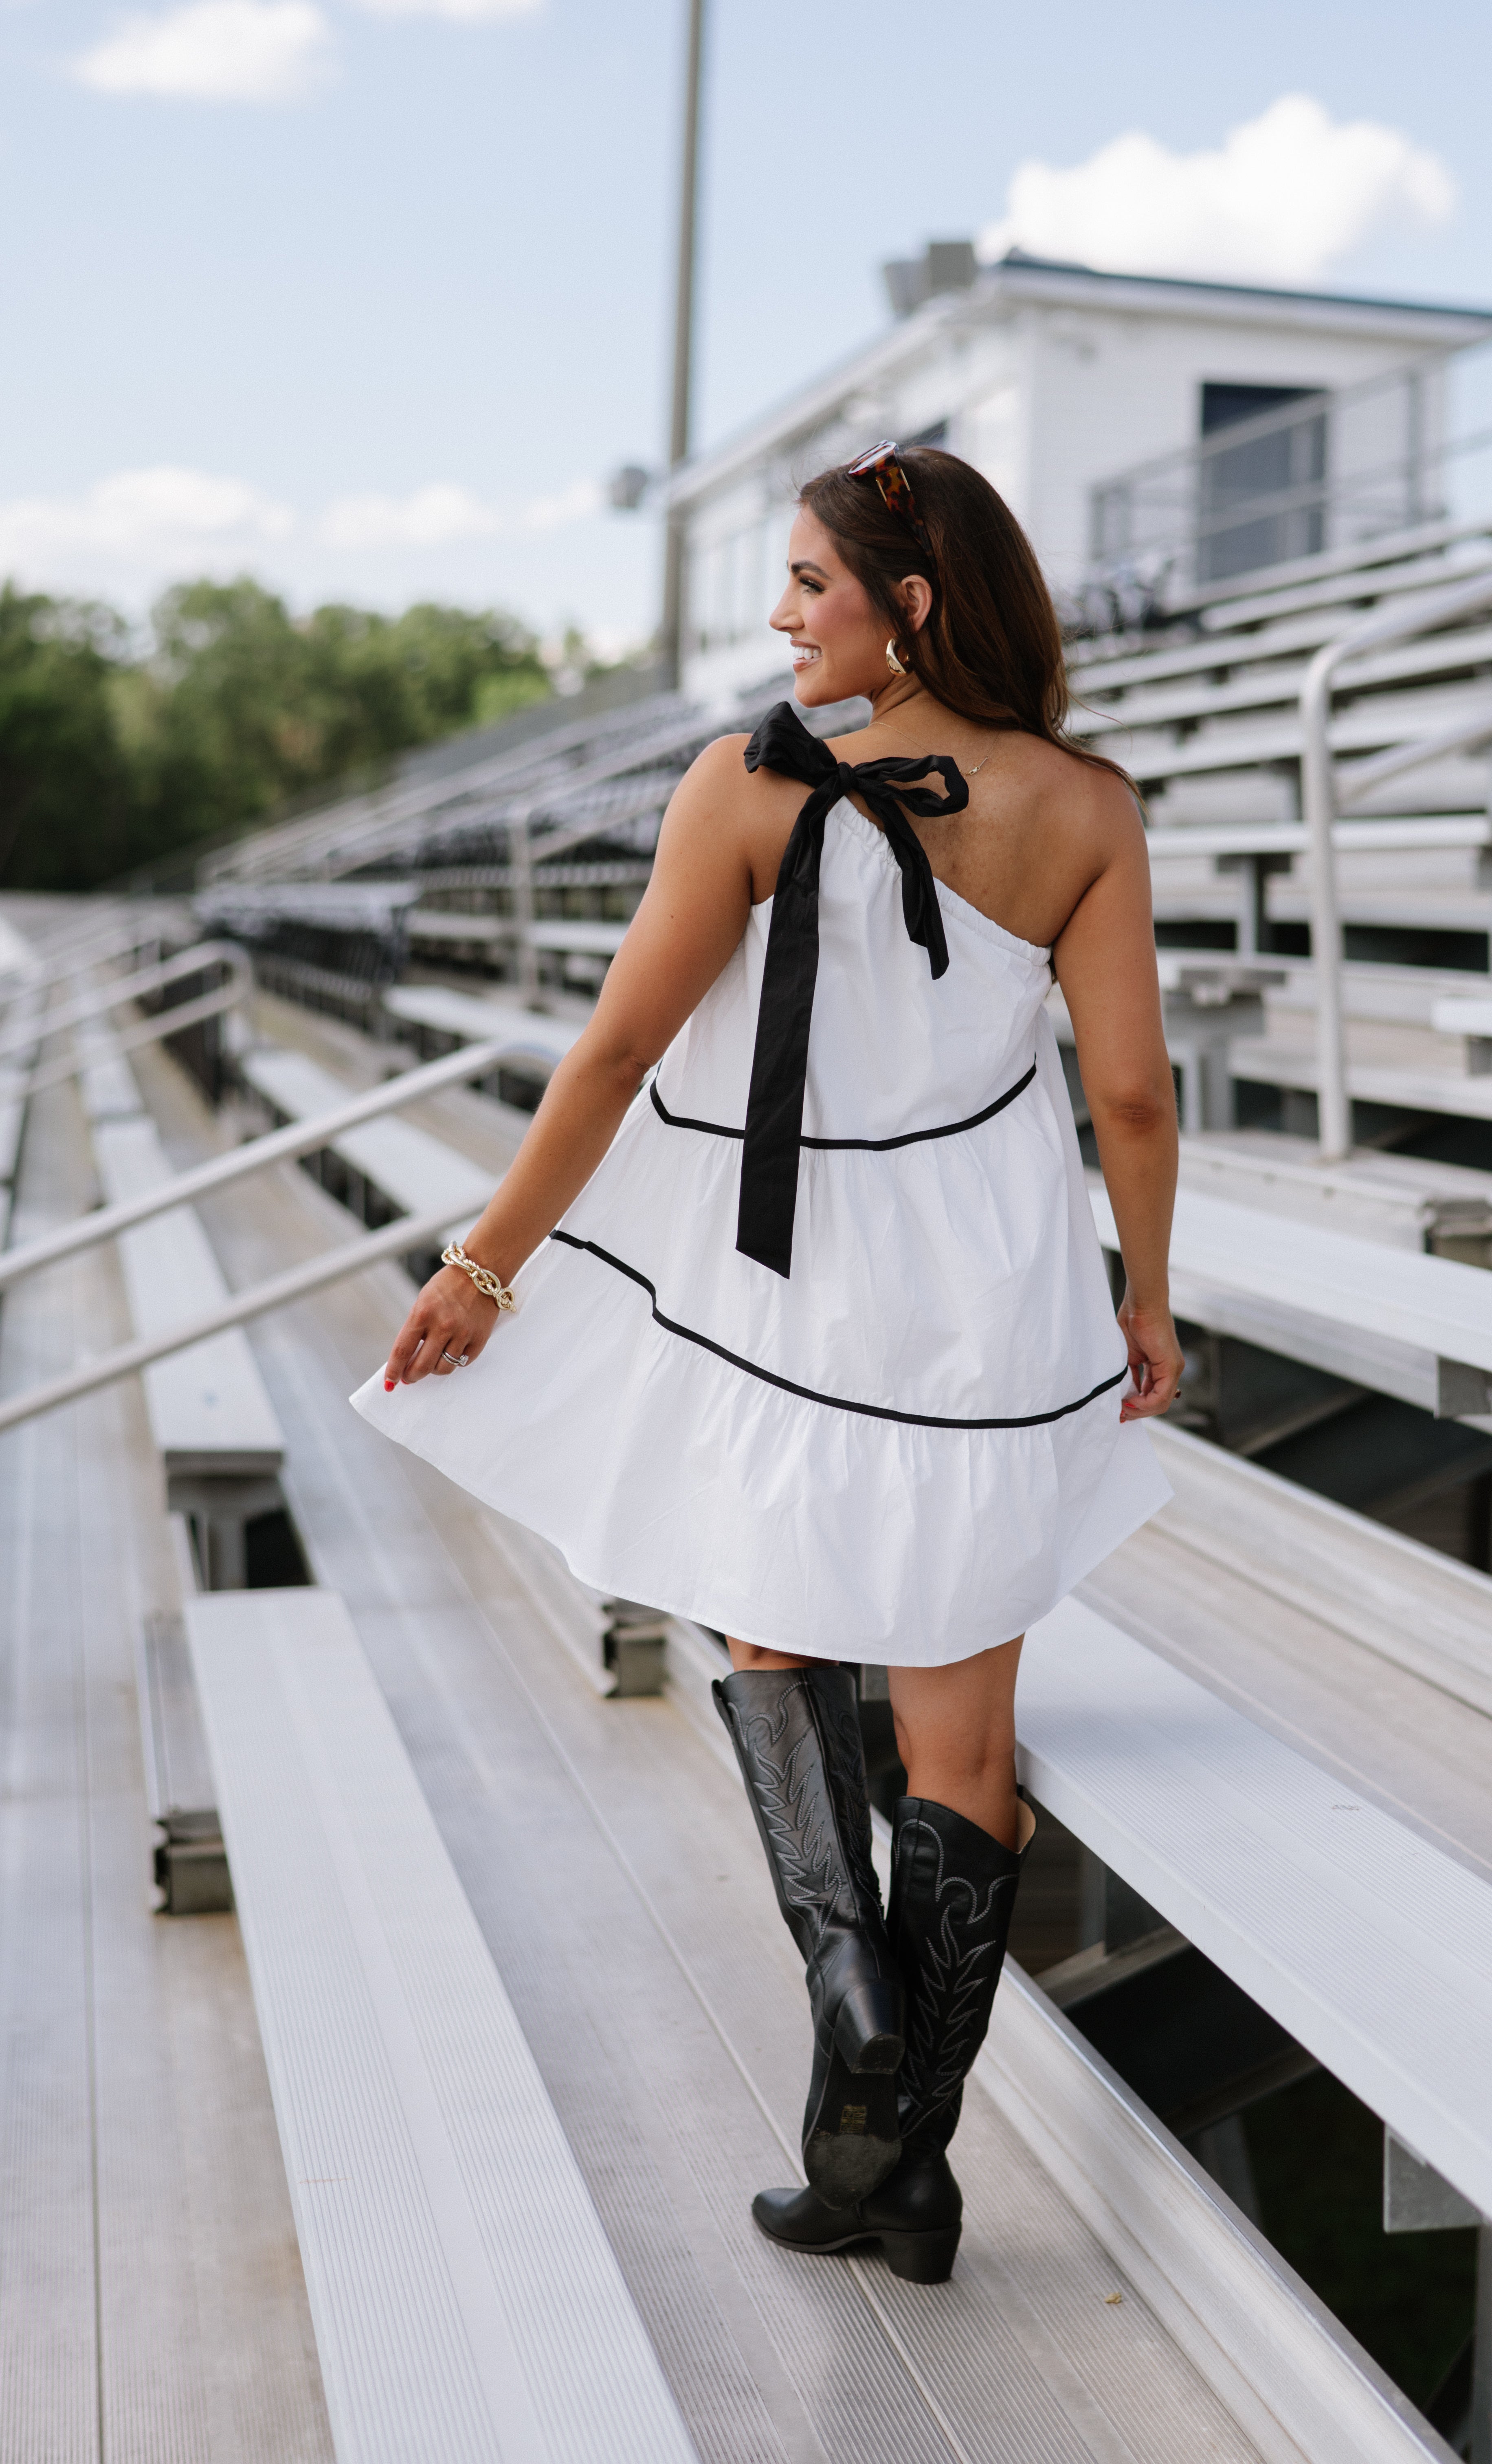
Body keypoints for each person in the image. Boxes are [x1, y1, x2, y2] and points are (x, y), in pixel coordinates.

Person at [352, 442, 1183, 2285]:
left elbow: (612, 1058)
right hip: (994, 1302)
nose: (781, 614)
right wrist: (1147, 1294)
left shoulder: (739, 786)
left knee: (772, 1638)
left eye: (809, 581)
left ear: (906, 602)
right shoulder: (1088, 807)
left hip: (788, 1287)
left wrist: (489, 1264)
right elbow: (1129, 1090)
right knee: (963, 1746)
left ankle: (846, 2001)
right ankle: (907, 2169)